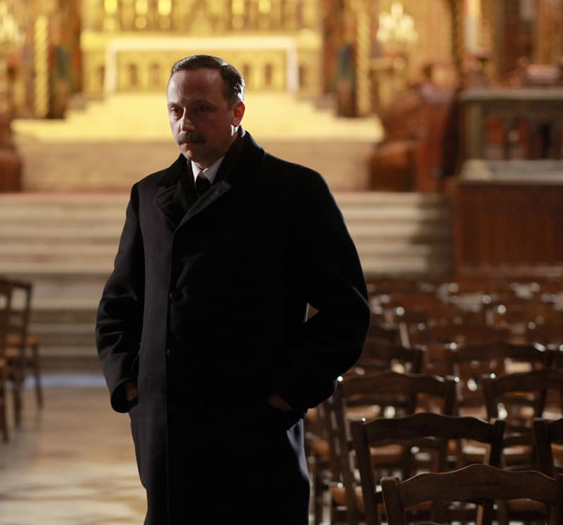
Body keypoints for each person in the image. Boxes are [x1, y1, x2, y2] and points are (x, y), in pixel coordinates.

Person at [96, 54, 370, 524]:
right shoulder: (149, 195)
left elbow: (347, 311)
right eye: (176, 111)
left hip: (254, 431)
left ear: (237, 111)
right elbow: (119, 304)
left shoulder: (294, 190)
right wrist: (132, 387)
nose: (186, 123)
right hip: (169, 437)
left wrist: (286, 394)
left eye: (201, 109)